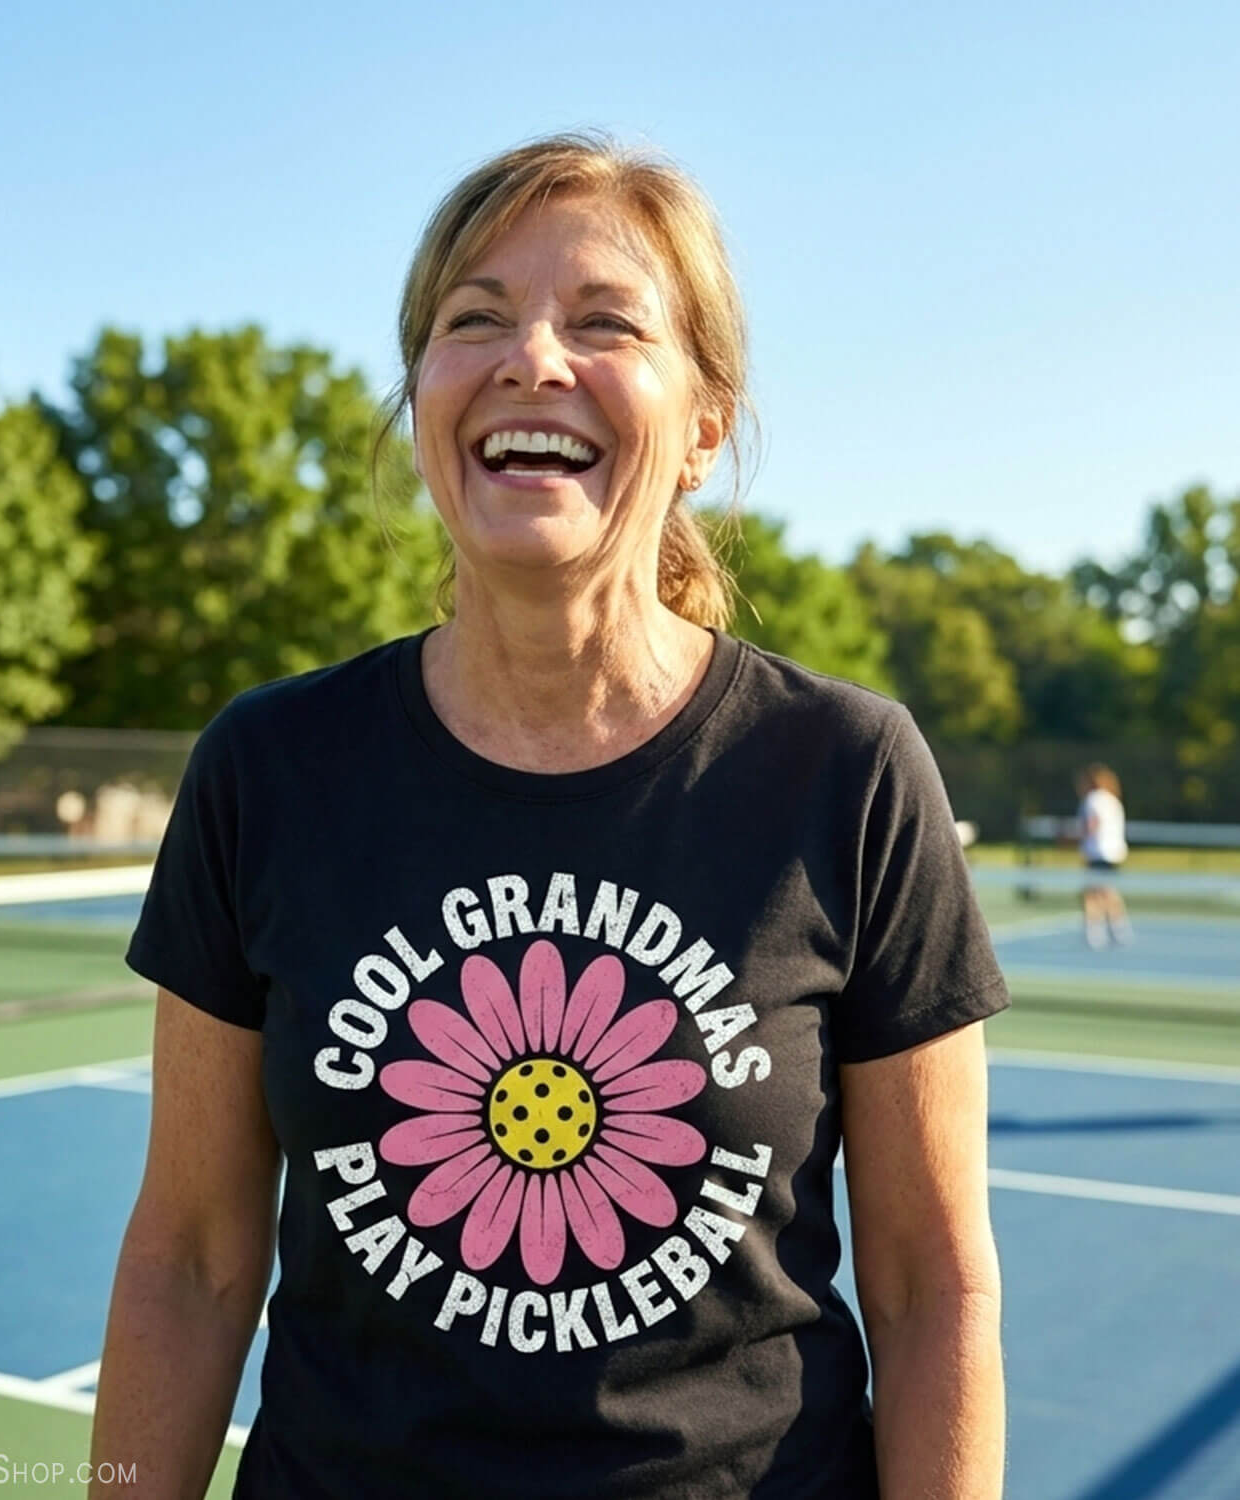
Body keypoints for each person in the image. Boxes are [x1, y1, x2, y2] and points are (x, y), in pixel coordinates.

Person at [90, 132, 1009, 1500]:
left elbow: (934, 1284)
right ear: (418, 403)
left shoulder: (848, 770)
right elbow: (190, 1258)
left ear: (704, 424)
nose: (531, 357)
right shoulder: (268, 767)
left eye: (604, 322)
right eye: (474, 319)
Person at [1075, 764, 1132, 948]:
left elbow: (1092, 825)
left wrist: (1075, 836)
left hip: (1097, 852)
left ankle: (1095, 934)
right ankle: (1119, 930)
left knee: (1092, 895)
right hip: (1115, 853)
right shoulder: (1113, 800)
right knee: (1108, 892)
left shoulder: (1093, 799)